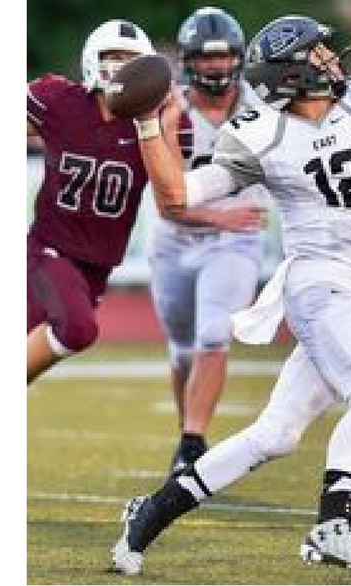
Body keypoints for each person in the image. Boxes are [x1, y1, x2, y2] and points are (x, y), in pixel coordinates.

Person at [110, 17, 351, 578]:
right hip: (320, 282)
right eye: (321, 52)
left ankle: (150, 515)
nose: (334, 58)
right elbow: (178, 194)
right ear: (296, 70)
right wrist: (146, 126)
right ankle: (335, 523)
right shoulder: (259, 132)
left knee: (276, 434)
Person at [26, 20, 190, 384]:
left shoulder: (161, 119)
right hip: (46, 250)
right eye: (111, 57)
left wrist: (163, 126)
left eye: (130, 60)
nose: (119, 67)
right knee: (77, 329)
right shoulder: (59, 100)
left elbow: (173, 200)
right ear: (91, 61)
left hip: (97, 268)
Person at [148, 7, 271, 473]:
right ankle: (189, 436)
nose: (217, 68)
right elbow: (169, 203)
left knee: (215, 334)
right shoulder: (167, 112)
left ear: (239, 58)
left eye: (224, 59)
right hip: (178, 239)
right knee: (182, 349)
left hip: (235, 244)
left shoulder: (264, 108)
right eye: (205, 59)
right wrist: (221, 216)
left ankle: (193, 442)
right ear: (188, 60)